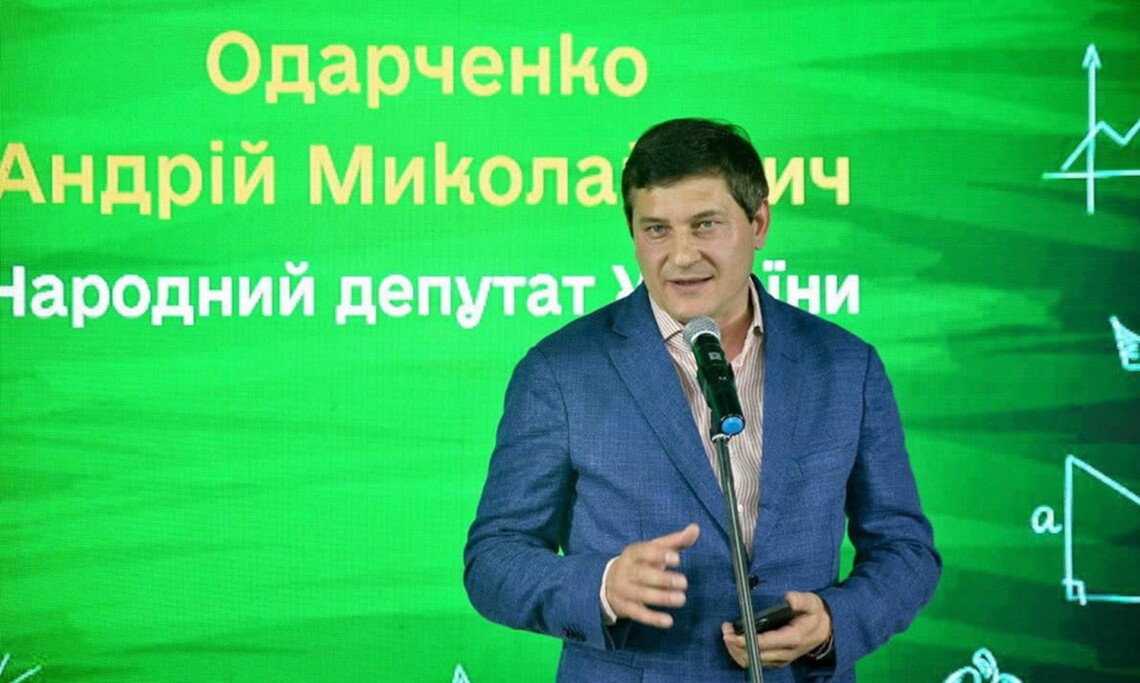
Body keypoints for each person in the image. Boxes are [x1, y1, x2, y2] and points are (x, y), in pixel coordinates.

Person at [464, 118, 940, 682]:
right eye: (656, 230)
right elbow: (494, 559)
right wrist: (602, 586)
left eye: (705, 225)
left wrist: (832, 623)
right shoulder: (561, 371)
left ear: (758, 222)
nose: (681, 256)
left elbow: (905, 551)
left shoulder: (845, 367)